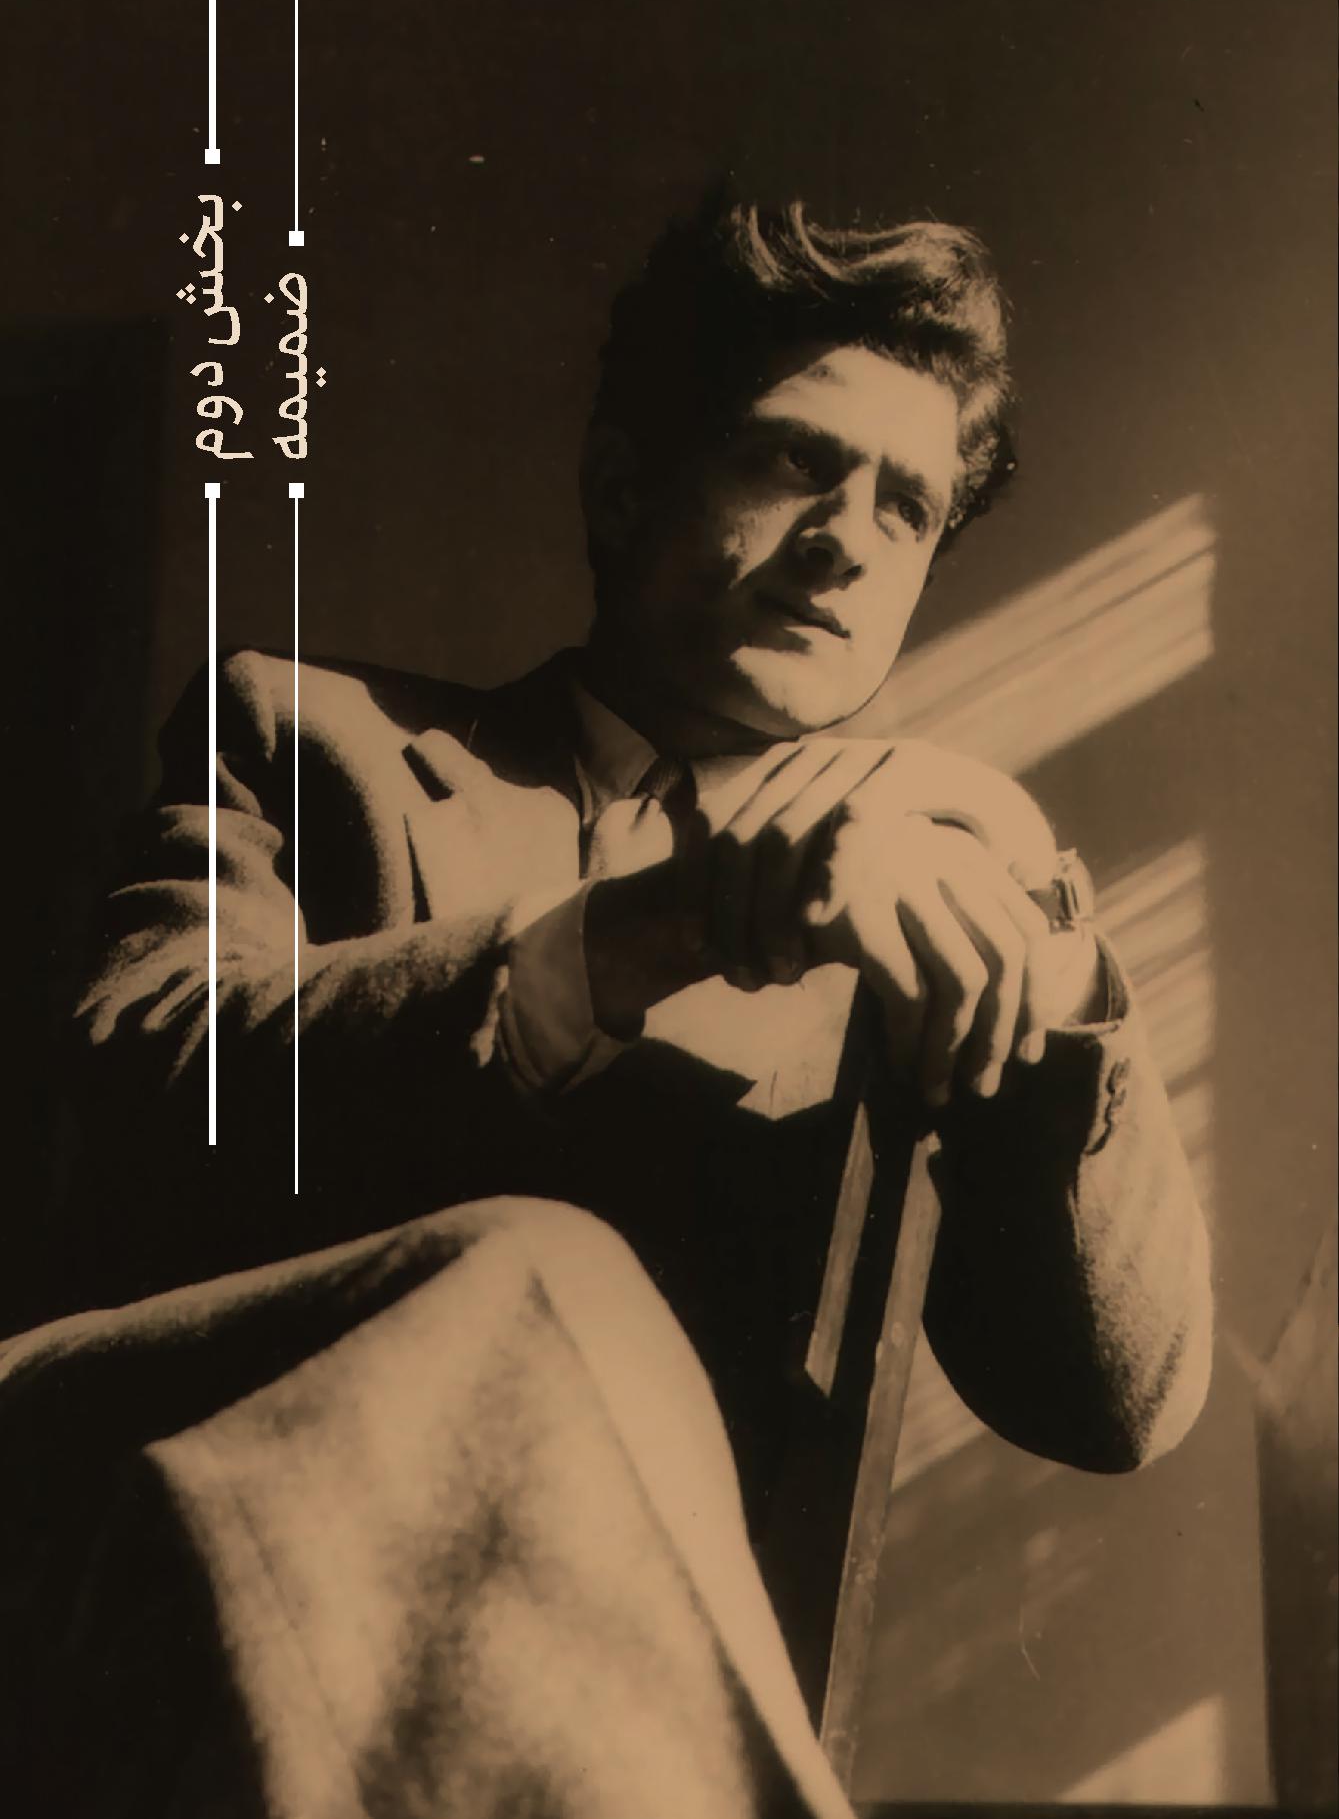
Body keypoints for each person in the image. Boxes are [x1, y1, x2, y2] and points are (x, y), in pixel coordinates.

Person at [8, 197, 1211, 1816]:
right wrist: (646, 931)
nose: (851, 539)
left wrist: (1047, 950)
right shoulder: (308, 738)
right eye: (795, 460)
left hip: (588, 1731)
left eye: (909, 505)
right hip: (201, 1598)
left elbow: (1118, 1403)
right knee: (541, 1271)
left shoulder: (925, 905)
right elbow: (140, 1098)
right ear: (625, 483)